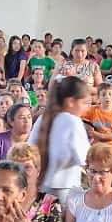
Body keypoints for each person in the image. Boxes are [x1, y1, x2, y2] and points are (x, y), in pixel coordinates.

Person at [30, 76, 91, 204]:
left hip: (40, 185)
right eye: (85, 103)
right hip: (65, 188)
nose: (87, 108)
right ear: (71, 102)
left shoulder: (43, 118)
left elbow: (30, 149)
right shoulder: (73, 121)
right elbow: (84, 157)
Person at [0, 103, 34, 171]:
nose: (27, 121)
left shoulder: (37, 138)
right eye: (22, 117)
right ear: (11, 121)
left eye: (29, 117)